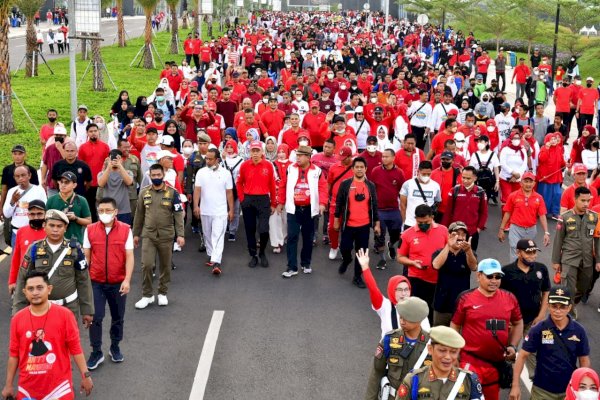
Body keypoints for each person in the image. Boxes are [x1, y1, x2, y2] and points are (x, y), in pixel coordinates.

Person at [1, 271, 94, 400]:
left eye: (40, 287)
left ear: (49, 289)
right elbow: (14, 355)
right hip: (27, 391)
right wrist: (8, 385)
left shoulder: (65, 315)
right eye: (30, 289)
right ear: (25, 292)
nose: (35, 292)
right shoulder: (17, 319)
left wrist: (86, 376)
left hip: (59, 390)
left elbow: (75, 348)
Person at [451, 258, 524, 400]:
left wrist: (513, 346)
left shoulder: (509, 298)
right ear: (478, 276)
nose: (494, 280)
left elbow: (518, 322)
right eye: (489, 276)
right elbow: (455, 326)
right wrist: (454, 352)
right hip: (470, 361)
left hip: (495, 364)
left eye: (498, 277)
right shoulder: (465, 298)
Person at [12, 209, 94, 326]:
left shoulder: (75, 250)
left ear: (65, 228)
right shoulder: (34, 248)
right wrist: (18, 311)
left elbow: (83, 280)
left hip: (69, 307)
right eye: (51, 225)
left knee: (68, 342)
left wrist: (87, 310)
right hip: (40, 307)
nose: (55, 229)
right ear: (44, 226)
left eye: (59, 226)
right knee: (42, 342)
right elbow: (22, 279)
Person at [509, 286, 590, 400]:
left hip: (569, 390)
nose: (558, 311)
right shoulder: (538, 329)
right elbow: (522, 356)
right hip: (542, 391)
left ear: (569, 307)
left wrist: (583, 388)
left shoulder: (579, 331)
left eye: (562, 307)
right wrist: (515, 385)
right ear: (548, 305)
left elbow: (584, 360)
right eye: (554, 306)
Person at [83, 197, 134, 369]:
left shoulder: (126, 230)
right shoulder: (89, 230)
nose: (104, 214)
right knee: (95, 317)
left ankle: (115, 347)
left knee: (118, 317)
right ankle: (96, 351)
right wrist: (84, 284)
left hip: (117, 282)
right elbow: (86, 257)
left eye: (108, 210)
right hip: (96, 282)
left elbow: (129, 257)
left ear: (115, 212)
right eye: (101, 210)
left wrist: (127, 280)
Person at [133, 163, 185, 309]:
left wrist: (180, 235)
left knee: (165, 266)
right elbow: (139, 215)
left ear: (163, 175)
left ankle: (162, 292)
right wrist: (135, 234)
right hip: (148, 235)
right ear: (149, 176)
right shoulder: (144, 193)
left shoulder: (172, 193)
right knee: (147, 265)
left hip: (166, 235)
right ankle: (147, 295)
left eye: (158, 175)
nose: (156, 177)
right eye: (153, 175)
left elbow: (178, 214)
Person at [501, 238, 550, 381]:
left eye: (534, 252)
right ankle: (507, 375)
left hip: (533, 320)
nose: (532, 255)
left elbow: (546, 291)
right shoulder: (507, 272)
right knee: (509, 350)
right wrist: (506, 319)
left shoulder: (541, 269)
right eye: (528, 253)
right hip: (513, 321)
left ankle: (535, 379)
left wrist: (541, 315)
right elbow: (501, 297)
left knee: (533, 350)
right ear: (518, 253)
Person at [365, 297, 431, 400]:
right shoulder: (389, 339)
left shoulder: (431, 344)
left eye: (407, 318)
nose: (402, 321)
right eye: (401, 317)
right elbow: (376, 372)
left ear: (419, 320)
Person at [277, 145, 327, 278]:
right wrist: (281, 202)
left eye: (300, 155)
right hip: (294, 208)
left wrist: (322, 203)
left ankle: (306, 263)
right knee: (292, 237)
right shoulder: (290, 168)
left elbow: (323, 187)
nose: (297, 158)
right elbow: (283, 184)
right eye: (297, 155)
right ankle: (291, 267)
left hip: (310, 209)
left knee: (308, 238)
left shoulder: (317, 171)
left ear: (308, 157)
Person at [395, 325, 484, 400]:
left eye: (453, 352)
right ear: (430, 349)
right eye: (442, 350)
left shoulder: (469, 380)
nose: (448, 357)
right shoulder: (414, 379)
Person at [552, 186, 600, 314]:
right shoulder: (565, 217)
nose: (586, 204)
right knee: (568, 288)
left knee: (584, 287)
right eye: (582, 200)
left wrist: (598, 260)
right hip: (569, 259)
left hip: (587, 260)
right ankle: (568, 312)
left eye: (588, 201)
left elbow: (597, 240)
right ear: (575, 199)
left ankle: (572, 304)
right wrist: (556, 261)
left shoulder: (594, 217)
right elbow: (558, 240)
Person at [334, 157, 381, 288]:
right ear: (353, 169)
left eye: (362, 167)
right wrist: (336, 219)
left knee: (361, 253)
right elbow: (339, 203)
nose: (359, 169)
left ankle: (357, 277)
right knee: (345, 248)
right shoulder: (345, 184)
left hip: (364, 226)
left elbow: (375, 206)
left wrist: (376, 223)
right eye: (357, 167)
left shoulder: (370, 185)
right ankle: (347, 260)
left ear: (366, 169)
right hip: (348, 225)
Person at [397, 204, 448, 322]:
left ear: (432, 217)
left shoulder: (443, 230)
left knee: (431, 312)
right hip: (416, 279)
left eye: (426, 221)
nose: (423, 225)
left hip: (437, 280)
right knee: (415, 311)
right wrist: (412, 262)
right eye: (420, 222)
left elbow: (448, 250)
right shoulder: (407, 234)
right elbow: (400, 257)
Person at [236, 141, 277, 268]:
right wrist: (242, 199)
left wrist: (273, 203)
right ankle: (253, 255)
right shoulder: (244, 165)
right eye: (253, 151)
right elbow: (239, 183)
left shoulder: (268, 165)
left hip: (263, 199)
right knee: (250, 229)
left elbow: (272, 185)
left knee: (264, 229)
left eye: (257, 151)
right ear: (249, 152)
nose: (255, 153)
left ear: (262, 152)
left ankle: (262, 252)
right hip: (248, 200)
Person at [193, 148, 234, 275]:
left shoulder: (226, 173)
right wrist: (196, 206)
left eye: (210, 159)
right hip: (205, 210)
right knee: (207, 235)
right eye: (206, 158)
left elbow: (229, 193)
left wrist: (231, 210)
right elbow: (197, 190)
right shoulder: (201, 172)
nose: (208, 161)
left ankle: (217, 262)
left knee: (218, 236)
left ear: (217, 159)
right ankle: (211, 256)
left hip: (220, 211)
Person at [431, 222, 478, 326]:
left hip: (461, 305)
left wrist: (469, 251)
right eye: (456, 234)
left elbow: (474, 267)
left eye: (463, 235)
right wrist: (448, 245)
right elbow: (436, 265)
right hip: (441, 305)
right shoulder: (440, 252)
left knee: (459, 339)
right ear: (449, 235)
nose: (460, 237)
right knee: (438, 338)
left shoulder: (469, 253)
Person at [498, 171, 550, 261]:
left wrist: (546, 233)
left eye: (531, 182)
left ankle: (525, 273)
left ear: (534, 183)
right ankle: (515, 273)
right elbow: (507, 213)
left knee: (527, 253)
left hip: (531, 230)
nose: (528, 184)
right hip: (515, 229)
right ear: (521, 182)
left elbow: (542, 215)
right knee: (515, 250)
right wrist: (501, 229)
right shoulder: (513, 196)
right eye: (526, 181)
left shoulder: (539, 198)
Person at [370, 148, 405, 269]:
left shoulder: (399, 173)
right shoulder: (375, 171)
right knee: (379, 235)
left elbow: (402, 191)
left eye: (386, 156)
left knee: (396, 234)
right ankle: (382, 259)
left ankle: (391, 244)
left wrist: (403, 208)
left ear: (393, 158)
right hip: (379, 210)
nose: (383, 158)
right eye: (383, 156)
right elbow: (371, 189)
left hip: (394, 209)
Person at [441, 166, 488, 251]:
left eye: (468, 178)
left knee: (471, 256)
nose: (465, 180)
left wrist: (479, 228)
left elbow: (483, 212)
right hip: (455, 232)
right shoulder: (454, 190)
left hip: (472, 232)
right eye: (463, 177)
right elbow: (448, 211)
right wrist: (445, 229)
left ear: (475, 178)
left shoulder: (480, 192)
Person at [7, 200, 47, 295]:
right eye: (32, 214)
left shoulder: (51, 231)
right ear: (28, 215)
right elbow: (16, 258)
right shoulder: (21, 231)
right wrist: (12, 281)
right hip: (25, 279)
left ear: (45, 214)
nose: (36, 217)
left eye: (39, 214)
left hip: (46, 280)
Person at [2, 165, 47, 247]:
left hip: (35, 232)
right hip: (17, 232)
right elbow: (7, 214)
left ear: (29, 175)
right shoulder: (12, 191)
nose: (20, 178)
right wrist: (13, 201)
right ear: (14, 177)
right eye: (17, 176)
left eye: (23, 175)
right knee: (17, 258)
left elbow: (45, 211)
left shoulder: (39, 190)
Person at [46, 171, 92, 244]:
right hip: (55, 242)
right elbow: (45, 221)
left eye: (66, 182)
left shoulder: (81, 200)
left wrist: (75, 218)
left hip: (75, 242)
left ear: (74, 185)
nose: (63, 185)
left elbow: (89, 222)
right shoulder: (51, 200)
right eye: (61, 182)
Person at [326, 146, 355, 260]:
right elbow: (329, 183)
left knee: (348, 228)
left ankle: (345, 248)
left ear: (350, 157)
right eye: (340, 157)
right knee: (333, 228)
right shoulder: (334, 167)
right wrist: (328, 196)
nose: (341, 160)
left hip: (351, 203)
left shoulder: (355, 167)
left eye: (344, 158)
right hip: (335, 201)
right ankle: (334, 246)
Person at [78, 123, 111, 222]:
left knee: (104, 207)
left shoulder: (105, 147)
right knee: (91, 207)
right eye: (91, 131)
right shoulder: (83, 147)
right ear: (87, 133)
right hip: (89, 183)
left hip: (102, 183)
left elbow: (108, 165)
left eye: (95, 131)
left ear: (98, 132)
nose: (93, 133)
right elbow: (81, 166)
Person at [399, 161, 441, 230]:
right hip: (410, 223)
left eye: (428, 174)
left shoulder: (436, 186)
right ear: (418, 171)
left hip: (427, 224)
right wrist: (404, 221)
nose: (426, 176)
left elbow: (437, 202)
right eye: (424, 174)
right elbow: (402, 205)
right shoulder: (408, 184)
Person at [97, 149, 135, 225]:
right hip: (107, 211)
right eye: (112, 158)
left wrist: (120, 166)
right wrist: (108, 167)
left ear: (121, 160)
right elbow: (101, 184)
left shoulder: (127, 172)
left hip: (124, 211)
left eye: (117, 159)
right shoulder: (103, 173)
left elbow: (129, 182)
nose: (114, 161)